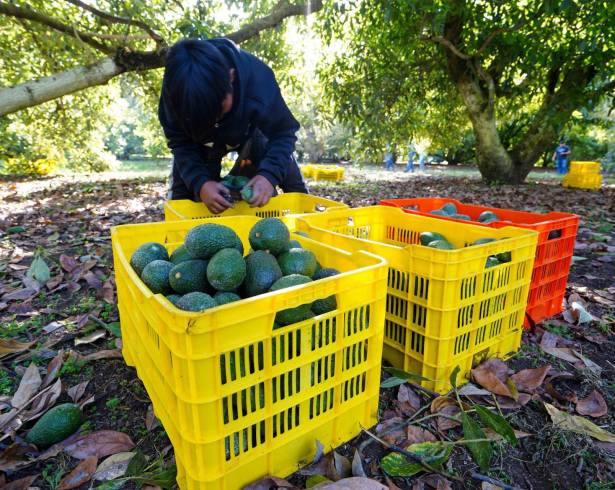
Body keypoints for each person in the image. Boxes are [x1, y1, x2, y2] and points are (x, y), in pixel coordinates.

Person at [158, 38, 307, 214]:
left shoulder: (259, 82)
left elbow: (283, 132)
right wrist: (201, 183)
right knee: (183, 197)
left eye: (218, 111)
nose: (214, 121)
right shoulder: (174, 96)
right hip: (198, 143)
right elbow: (180, 144)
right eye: (205, 117)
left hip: (251, 131)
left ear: (231, 77)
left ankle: (307, 222)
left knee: (290, 179)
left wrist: (268, 176)